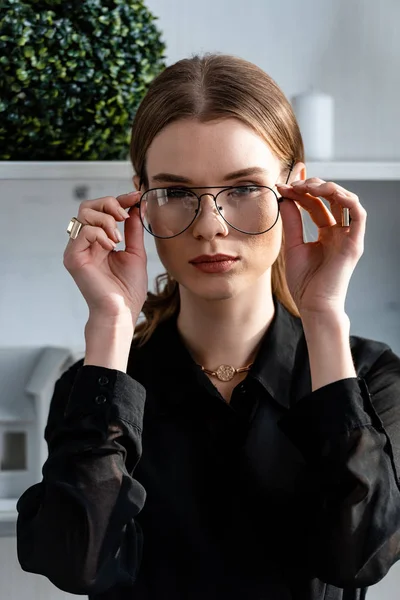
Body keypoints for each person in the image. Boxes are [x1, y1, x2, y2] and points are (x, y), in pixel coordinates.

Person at [16, 53, 400, 600]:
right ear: (139, 201)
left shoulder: (371, 375)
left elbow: (360, 557)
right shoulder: (94, 386)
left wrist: (323, 316)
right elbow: (75, 564)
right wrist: (110, 324)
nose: (211, 227)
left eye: (244, 187)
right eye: (175, 193)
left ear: (296, 188)